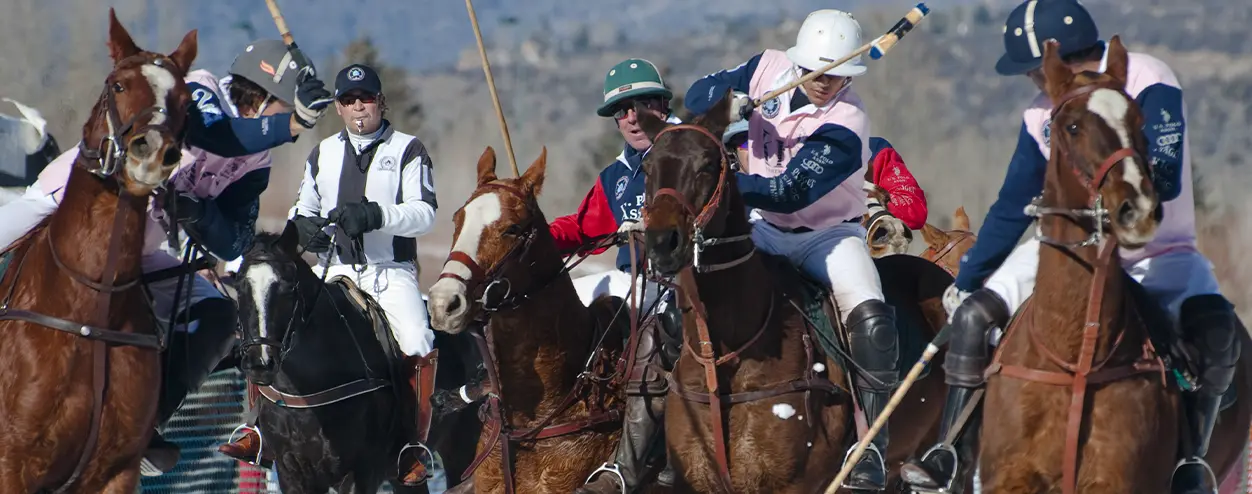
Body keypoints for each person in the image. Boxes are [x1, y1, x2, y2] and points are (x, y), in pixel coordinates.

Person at [901, 1, 1242, 492]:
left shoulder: (1146, 76)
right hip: (1065, 251)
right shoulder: (1041, 111)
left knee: (1215, 332)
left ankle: (1191, 461)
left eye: (1031, 70)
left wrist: (1130, 206)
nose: (1031, 82)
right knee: (974, 318)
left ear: (1053, 59)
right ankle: (951, 452)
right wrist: (969, 280)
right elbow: (1012, 204)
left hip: (1157, 250)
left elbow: (1162, 168)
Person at [0, 39, 332, 476]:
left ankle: (143, 422)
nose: (286, 120)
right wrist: (294, 121)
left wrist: (200, 213)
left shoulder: (259, 161)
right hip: (71, 206)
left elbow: (234, 240)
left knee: (216, 315)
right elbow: (216, 135)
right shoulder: (195, 91)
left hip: (142, 248)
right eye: (283, 106)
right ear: (263, 95)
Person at [683, 9, 898, 490]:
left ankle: (871, 448)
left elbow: (790, 191)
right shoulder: (766, 67)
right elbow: (696, 96)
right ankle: (661, 419)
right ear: (799, 62)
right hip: (763, 228)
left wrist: (726, 182)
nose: (826, 83)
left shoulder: (848, 119)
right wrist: (730, 101)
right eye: (818, 71)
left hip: (827, 236)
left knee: (870, 315)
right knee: (690, 287)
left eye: (838, 74)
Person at [220, 63, 440, 488]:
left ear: (381, 101)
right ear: (338, 107)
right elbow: (304, 208)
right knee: (272, 317)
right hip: (332, 269)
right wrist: (303, 227)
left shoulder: (409, 149)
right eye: (349, 100)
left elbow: (424, 213)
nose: (359, 107)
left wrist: (376, 214)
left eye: (367, 98)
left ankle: (411, 443)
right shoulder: (324, 153)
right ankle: (257, 429)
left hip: (387, 271)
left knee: (417, 337)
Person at [535, 58, 684, 494]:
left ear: (661, 103)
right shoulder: (617, 175)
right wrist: (531, 234)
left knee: (655, 336)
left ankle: (641, 460)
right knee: (571, 307)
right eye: (621, 111)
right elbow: (584, 228)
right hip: (636, 282)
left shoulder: (688, 148)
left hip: (689, 281)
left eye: (640, 104)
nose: (632, 117)